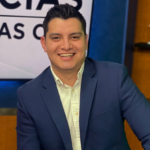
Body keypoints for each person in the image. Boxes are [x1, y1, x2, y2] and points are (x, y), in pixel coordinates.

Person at [16, 4, 150, 150]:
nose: (66, 46)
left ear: (85, 41)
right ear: (44, 43)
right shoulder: (28, 96)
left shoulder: (115, 78)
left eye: (74, 37)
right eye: (56, 38)